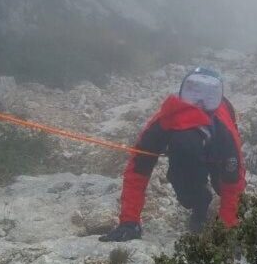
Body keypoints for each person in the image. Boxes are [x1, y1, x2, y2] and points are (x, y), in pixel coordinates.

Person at [100, 67, 245, 241]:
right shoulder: (160, 126)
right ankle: (200, 204)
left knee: (222, 185)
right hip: (182, 158)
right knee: (186, 192)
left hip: (214, 153)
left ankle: (209, 199)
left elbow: (234, 183)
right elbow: (137, 172)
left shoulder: (225, 133)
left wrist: (227, 229)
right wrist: (129, 222)